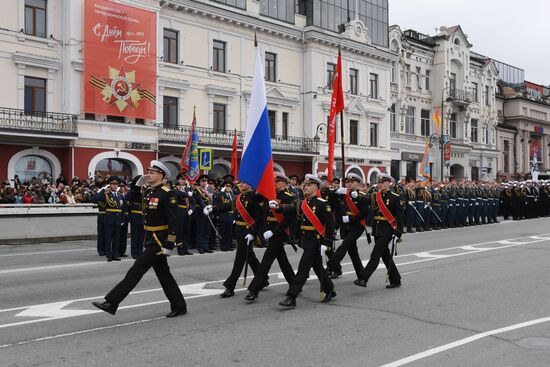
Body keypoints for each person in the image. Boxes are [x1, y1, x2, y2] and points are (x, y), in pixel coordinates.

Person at [92, 160, 187, 318]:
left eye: (153, 172)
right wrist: (136, 186)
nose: (149, 174)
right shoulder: (149, 191)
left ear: (161, 175)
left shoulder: (167, 193)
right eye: (149, 171)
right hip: (149, 238)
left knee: (136, 270)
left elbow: (173, 221)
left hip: (159, 241)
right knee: (165, 275)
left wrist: (170, 243)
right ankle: (179, 305)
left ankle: (112, 302)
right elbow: (129, 198)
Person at [279, 174, 335, 308]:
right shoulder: (302, 203)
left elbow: (330, 225)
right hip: (306, 239)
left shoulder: (322, 204)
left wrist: (326, 243)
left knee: (303, 268)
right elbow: (292, 209)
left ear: (316, 187)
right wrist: (279, 207)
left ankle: (291, 296)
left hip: (315, 241)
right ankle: (330, 289)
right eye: (305, 185)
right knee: (317, 266)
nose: (305, 187)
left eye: (309, 185)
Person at [245, 172, 296, 302]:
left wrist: (275, 231)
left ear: (284, 183)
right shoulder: (269, 195)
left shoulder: (288, 197)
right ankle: (294, 284)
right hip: (269, 231)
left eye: (277, 181)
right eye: (273, 181)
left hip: (278, 233)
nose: (274, 183)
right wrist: (257, 189)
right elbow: (253, 201)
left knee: (266, 262)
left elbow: (289, 218)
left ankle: (254, 290)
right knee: (283, 261)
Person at [354, 173, 402, 289]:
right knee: (385, 255)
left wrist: (398, 233)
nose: (380, 185)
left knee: (375, 254)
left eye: (382, 182)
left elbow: (400, 217)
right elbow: (366, 200)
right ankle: (396, 279)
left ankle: (364, 278)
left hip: (387, 230)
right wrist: (356, 197)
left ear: (388, 183)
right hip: (377, 229)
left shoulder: (395, 197)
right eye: (379, 183)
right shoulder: (375, 196)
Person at [220, 182, 267, 298]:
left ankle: (230, 287)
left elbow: (259, 217)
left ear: (250, 183)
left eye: (244, 182)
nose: (240, 184)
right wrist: (213, 208)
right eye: (240, 182)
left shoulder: (255, 196)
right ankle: (263, 279)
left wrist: (253, 233)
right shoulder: (239, 197)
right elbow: (229, 206)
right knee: (249, 256)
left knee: (240, 258)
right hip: (240, 230)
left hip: (248, 231)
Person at [326, 172, 368, 282]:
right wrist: (335, 192)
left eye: (352, 182)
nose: (349, 184)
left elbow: (364, 213)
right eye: (348, 182)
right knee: (353, 252)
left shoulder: (361, 195)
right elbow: (330, 199)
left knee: (344, 245)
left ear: (358, 183)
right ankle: (362, 276)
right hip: (346, 226)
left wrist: (351, 219)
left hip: (357, 226)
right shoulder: (344, 194)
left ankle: (331, 265)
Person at [98, 177, 124, 262]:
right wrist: (103, 190)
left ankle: (115, 254)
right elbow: (95, 198)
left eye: (116, 184)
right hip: (109, 220)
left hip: (117, 220)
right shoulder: (106, 195)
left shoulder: (120, 195)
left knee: (117, 239)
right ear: (109, 185)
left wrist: (123, 219)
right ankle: (109, 255)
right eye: (113, 184)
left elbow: (122, 209)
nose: (115, 186)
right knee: (108, 239)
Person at [215, 179, 236, 252]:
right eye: (226, 186)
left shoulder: (233, 196)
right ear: (224, 187)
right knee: (222, 232)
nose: (228, 188)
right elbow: (217, 204)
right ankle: (223, 246)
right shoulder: (221, 195)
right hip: (223, 216)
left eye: (229, 186)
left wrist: (234, 217)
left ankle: (228, 245)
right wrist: (221, 192)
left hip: (231, 216)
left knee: (229, 232)